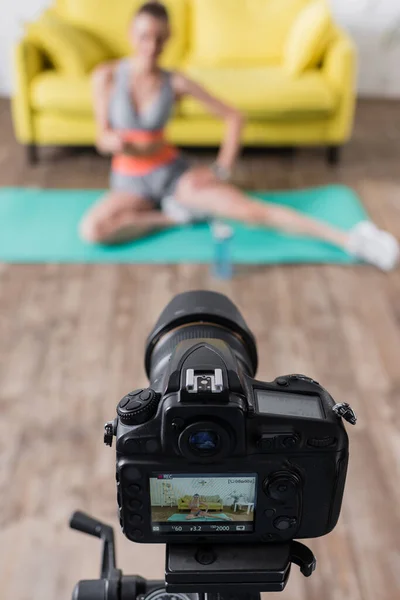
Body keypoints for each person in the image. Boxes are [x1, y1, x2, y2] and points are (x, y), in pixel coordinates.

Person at [79, 0, 399, 271]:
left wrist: (221, 169)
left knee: (251, 211)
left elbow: (234, 117)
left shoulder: (174, 81)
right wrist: (114, 142)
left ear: (168, 40)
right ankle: (173, 217)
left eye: (160, 39)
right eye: (145, 36)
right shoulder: (105, 77)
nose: (151, 46)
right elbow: (101, 137)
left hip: (174, 176)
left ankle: (353, 239)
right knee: (94, 230)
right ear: (131, 35)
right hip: (129, 181)